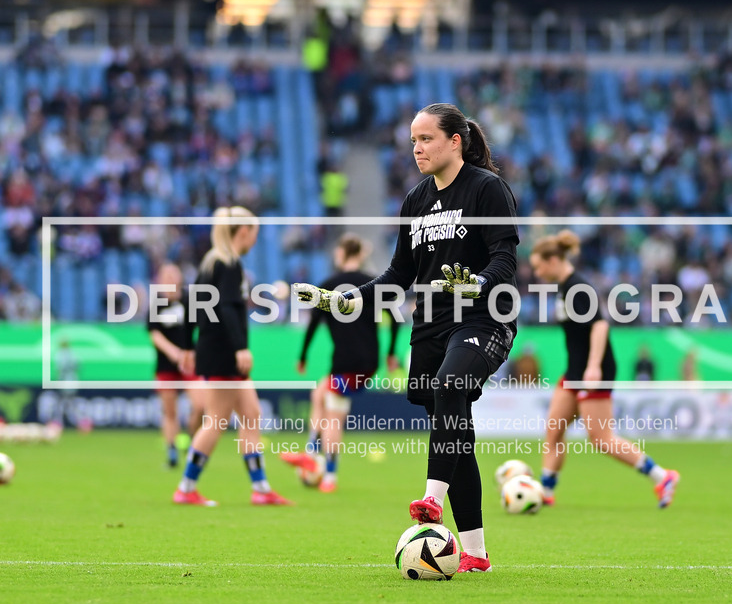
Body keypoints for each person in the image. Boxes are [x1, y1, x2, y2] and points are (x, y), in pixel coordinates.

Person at [293, 103, 518, 573]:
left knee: (450, 386)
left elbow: (505, 259)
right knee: (457, 434)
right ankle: (475, 552)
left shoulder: (487, 189)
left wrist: (475, 283)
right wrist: (348, 300)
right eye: (413, 140)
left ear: (455, 141)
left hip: (483, 318)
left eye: (426, 139)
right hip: (431, 326)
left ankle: (431, 501)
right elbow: (398, 275)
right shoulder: (416, 201)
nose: (417, 148)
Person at [529, 230, 680, 509]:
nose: (536, 272)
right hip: (575, 370)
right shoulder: (564, 288)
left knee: (601, 439)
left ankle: (663, 476)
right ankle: (545, 492)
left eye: (538, 266)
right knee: (554, 430)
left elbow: (599, 325)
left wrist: (594, 366)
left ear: (552, 261)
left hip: (592, 371)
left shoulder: (577, 287)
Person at [173, 206, 292, 507]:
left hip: (214, 350)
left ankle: (261, 489)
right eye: (253, 233)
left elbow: (190, 307)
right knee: (215, 421)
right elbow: (226, 308)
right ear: (243, 232)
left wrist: (188, 345)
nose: (254, 240)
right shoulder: (228, 265)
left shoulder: (210, 263)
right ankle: (186, 488)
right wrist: (240, 347)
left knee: (251, 414)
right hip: (223, 352)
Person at [281, 233, 401, 492]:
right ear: (360, 254)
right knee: (319, 395)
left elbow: (312, 324)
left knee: (334, 416)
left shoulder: (328, 285)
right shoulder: (374, 284)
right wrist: (391, 353)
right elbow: (397, 320)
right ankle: (312, 453)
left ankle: (327, 473)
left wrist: (303, 356)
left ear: (341, 253)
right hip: (368, 363)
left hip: (345, 363)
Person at [148, 263, 204, 468]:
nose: (170, 279)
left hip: (190, 364)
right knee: (170, 412)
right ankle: (171, 451)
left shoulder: (189, 300)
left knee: (200, 405)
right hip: (166, 365)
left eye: (173, 275)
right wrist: (174, 353)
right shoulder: (157, 304)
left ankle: (193, 443)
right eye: (166, 276)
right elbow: (155, 334)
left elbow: (203, 328)